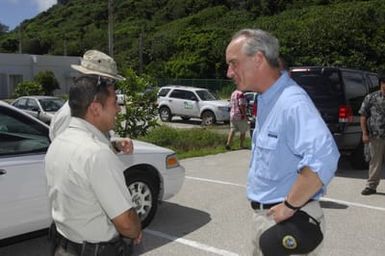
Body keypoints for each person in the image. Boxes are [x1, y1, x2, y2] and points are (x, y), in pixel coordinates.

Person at [226, 28, 340, 255]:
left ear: (258, 59)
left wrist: (290, 206)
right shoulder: (267, 98)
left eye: (234, 63)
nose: (229, 72)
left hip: (287, 222)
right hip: (270, 219)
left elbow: (324, 156)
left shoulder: (291, 102)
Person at [45, 51, 142, 256]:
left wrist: (112, 145)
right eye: (108, 82)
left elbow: (77, 156)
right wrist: (133, 228)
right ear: (96, 107)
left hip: (67, 241)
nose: (118, 109)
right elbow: (86, 156)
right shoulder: (92, 149)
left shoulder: (67, 132)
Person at [49, 50, 133, 154]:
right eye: (106, 81)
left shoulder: (87, 110)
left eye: (112, 81)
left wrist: (115, 145)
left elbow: (88, 146)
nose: (111, 86)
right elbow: (68, 156)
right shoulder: (68, 116)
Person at [358, 72, 385, 196]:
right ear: (381, 83)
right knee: (375, 161)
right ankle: (371, 186)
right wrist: (364, 133)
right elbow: (363, 115)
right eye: (384, 82)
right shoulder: (371, 97)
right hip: (376, 135)